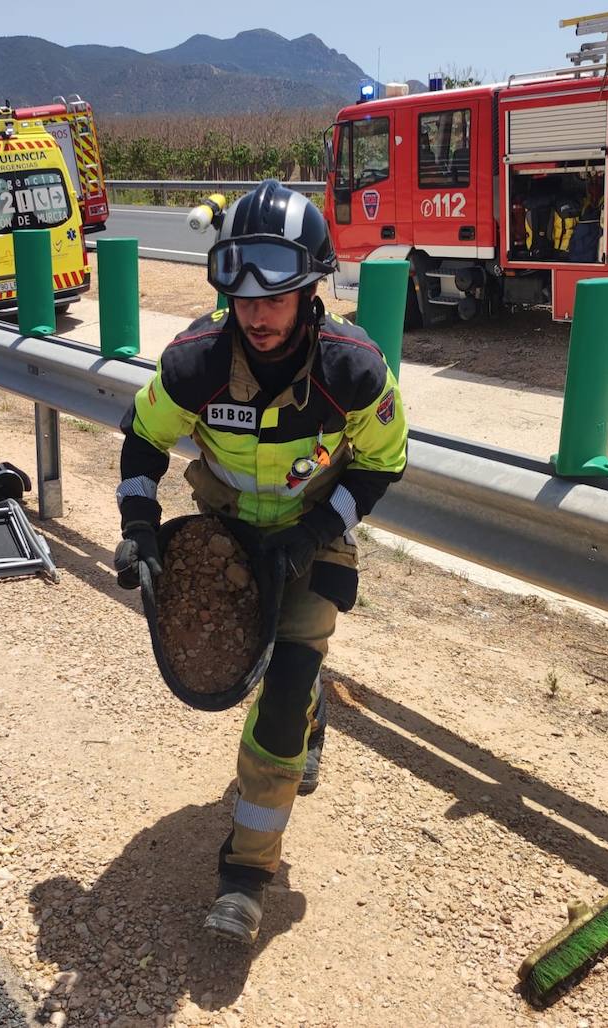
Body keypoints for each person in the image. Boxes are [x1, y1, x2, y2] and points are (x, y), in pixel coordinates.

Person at [112, 180, 408, 945]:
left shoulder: (356, 373)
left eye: (275, 299)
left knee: (279, 701)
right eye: (241, 299)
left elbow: (383, 465)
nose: (256, 315)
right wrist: (140, 523)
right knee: (241, 668)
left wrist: (313, 536)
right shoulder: (195, 363)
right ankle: (307, 722)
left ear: (312, 291)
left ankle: (246, 873)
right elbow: (144, 439)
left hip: (311, 536)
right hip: (226, 538)